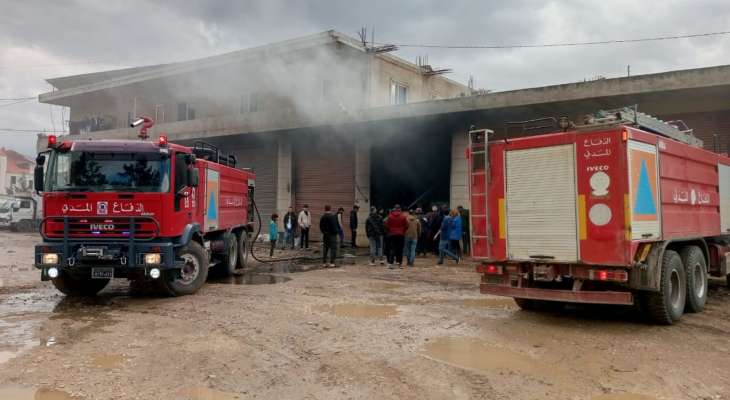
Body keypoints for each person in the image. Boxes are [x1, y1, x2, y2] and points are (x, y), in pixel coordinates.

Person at [384, 204, 409, 269]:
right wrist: (403, 231)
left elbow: (386, 226)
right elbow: (406, 226)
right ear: (400, 209)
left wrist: (390, 231)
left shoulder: (390, 216)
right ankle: (399, 263)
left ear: (394, 208)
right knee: (400, 249)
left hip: (392, 234)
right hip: (401, 234)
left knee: (392, 249)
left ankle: (391, 263)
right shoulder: (403, 216)